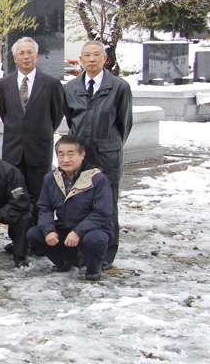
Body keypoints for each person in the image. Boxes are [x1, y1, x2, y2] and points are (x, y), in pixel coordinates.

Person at [63, 41, 132, 270]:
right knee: (80, 203)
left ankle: (106, 254)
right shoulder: (71, 87)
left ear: (105, 59)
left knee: (107, 204)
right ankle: (82, 251)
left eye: (96, 55)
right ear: (81, 60)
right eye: (87, 55)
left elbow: (124, 124)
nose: (91, 59)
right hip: (81, 156)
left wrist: (108, 144)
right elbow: (71, 119)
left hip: (107, 155)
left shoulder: (119, 87)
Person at [0, 37, 65, 229]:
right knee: (16, 194)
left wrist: (40, 131)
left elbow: (56, 115)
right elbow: (5, 113)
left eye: (30, 52)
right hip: (14, 149)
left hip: (39, 148)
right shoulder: (3, 84)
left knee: (39, 195)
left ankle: (38, 235)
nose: (26, 57)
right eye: (21, 53)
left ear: (36, 55)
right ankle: (17, 238)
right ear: (15, 58)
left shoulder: (51, 83)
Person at [26, 136, 114, 281]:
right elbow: (44, 207)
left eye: (71, 154)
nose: (65, 159)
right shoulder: (51, 178)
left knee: (95, 239)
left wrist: (78, 232)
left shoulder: (97, 179)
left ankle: (93, 268)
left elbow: (101, 213)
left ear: (82, 155)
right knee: (34, 234)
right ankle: (65, 261)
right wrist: (49, 230)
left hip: (93, 227)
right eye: (61, 154)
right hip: (66, 225)